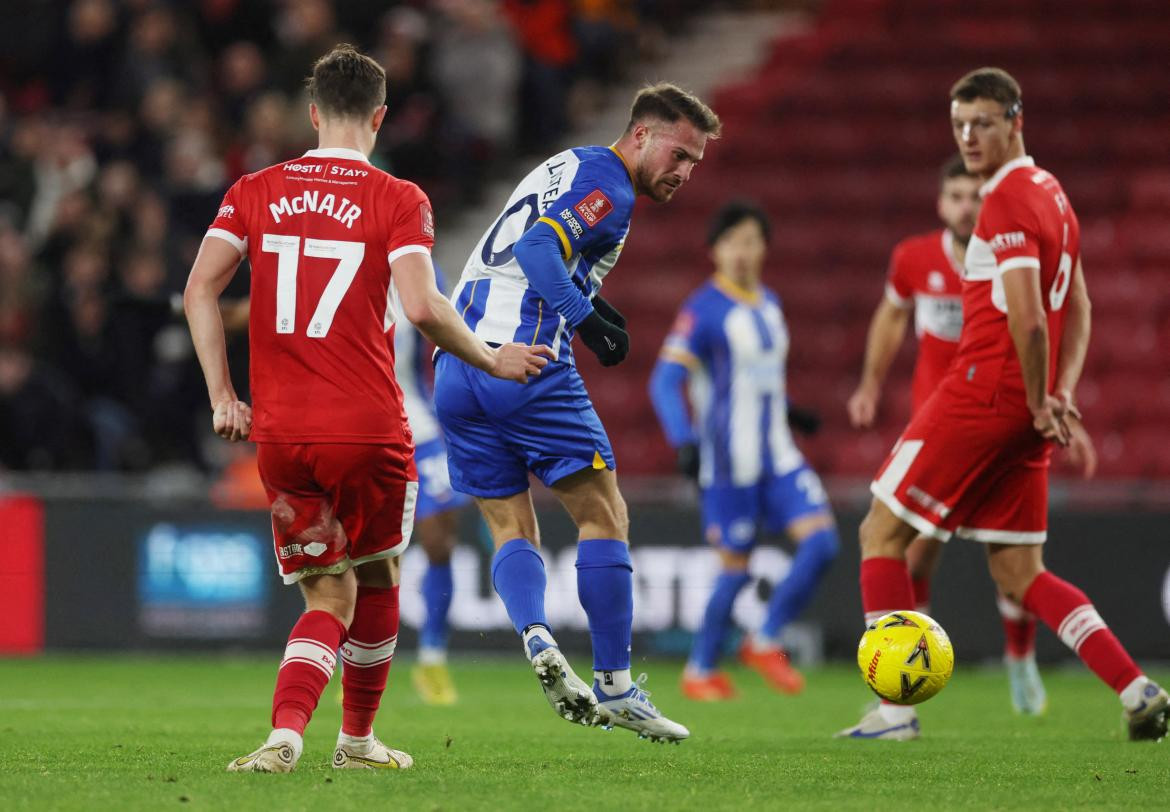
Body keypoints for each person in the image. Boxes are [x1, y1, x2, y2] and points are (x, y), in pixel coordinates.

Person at [184, 44, 550, 773]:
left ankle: (285, 733)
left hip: (282, 432)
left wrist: (225, 396)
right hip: (369, 428)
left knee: (325, 591)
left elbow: (199, 289)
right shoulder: (399, 198)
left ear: (313, 112)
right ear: (379, 117)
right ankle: (354, 741)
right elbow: (421, 306)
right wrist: (490, 356)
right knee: (377, 576)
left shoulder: (253, 190)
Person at [838, 67, 1167, 741]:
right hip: (1023, 405)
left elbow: (1030, 319)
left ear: (1017, 120)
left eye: (983, 122)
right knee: (1020, 569)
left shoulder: (1007, 199)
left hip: (985, 390)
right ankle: (1137, 690)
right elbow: (1079, 304)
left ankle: (896, 713)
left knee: (880, 532)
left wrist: (1046, 394)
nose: (968, 136)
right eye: (959, 124)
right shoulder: (1054, 194)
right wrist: (1058, 394)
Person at [433, 82, 721, 743]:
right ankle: (617, 687)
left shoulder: (569, 164)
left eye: (694, 164)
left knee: (511, 526)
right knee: (605, 513)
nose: (682, 172)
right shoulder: (612, 187)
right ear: (641, 135)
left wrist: (593, 304)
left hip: (459, 365)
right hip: (526, 364)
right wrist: (587, 320)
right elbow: (537, 251)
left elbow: (528, 248)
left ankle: (538, 639)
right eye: (679, 155)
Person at [846, 155, 1097, 716]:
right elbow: (890, 316)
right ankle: (907, 687)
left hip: (997, 413)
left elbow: (1048, 324)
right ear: (941, 203)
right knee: (918, 557)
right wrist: (869, 384)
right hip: (942, 421)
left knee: (1010, 570)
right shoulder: (914, 258)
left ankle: (1017, 658)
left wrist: (1058, 402)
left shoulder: (1010, 260)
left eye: (973, 196)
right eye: (955, 195)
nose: (965, 205)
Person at [648, 201, 839, 701]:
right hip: (730, 465)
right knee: (734, 571)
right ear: (714, 251)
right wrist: (683, 441)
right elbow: (665, 381)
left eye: (751, 241)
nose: (741, 252)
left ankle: (765, 638)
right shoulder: (703, 310)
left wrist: (791, 410)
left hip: (779, 455)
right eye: (731, 242)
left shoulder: (770, 304)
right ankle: (699, 671)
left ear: (764, 249)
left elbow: (760, 380)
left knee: (822, 543)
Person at [392, 265, 474, 706]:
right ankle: (352, 661)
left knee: (440, 541)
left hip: (418, 425)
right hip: (363, 427)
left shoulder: (419, 269)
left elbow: (449, 330)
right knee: (363, 546)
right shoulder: (339, 256)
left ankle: (432, 660)